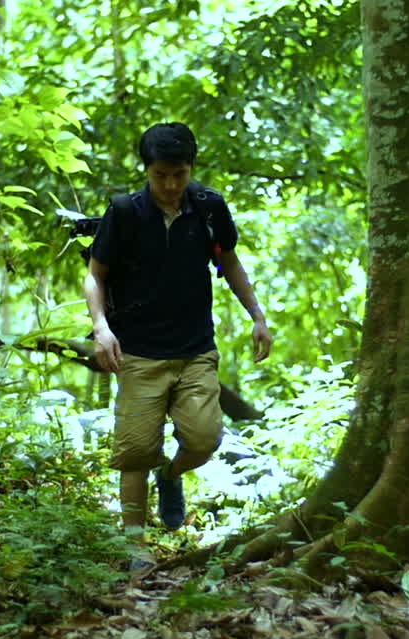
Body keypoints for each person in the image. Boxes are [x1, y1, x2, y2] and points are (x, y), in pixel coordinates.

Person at [83, 123, 272, 565]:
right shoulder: (125, 212)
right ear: (147, 171)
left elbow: (228, 261)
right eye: (160, 176)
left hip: (194, 350)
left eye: (179, 175)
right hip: (138, 351)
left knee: (206, 439)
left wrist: (258, 316)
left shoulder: (209, 209)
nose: (170, 185)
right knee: (134, 452)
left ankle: (170, 476)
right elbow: (96, 274)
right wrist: (101, 327)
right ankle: (136, 549)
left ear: (191, 170)